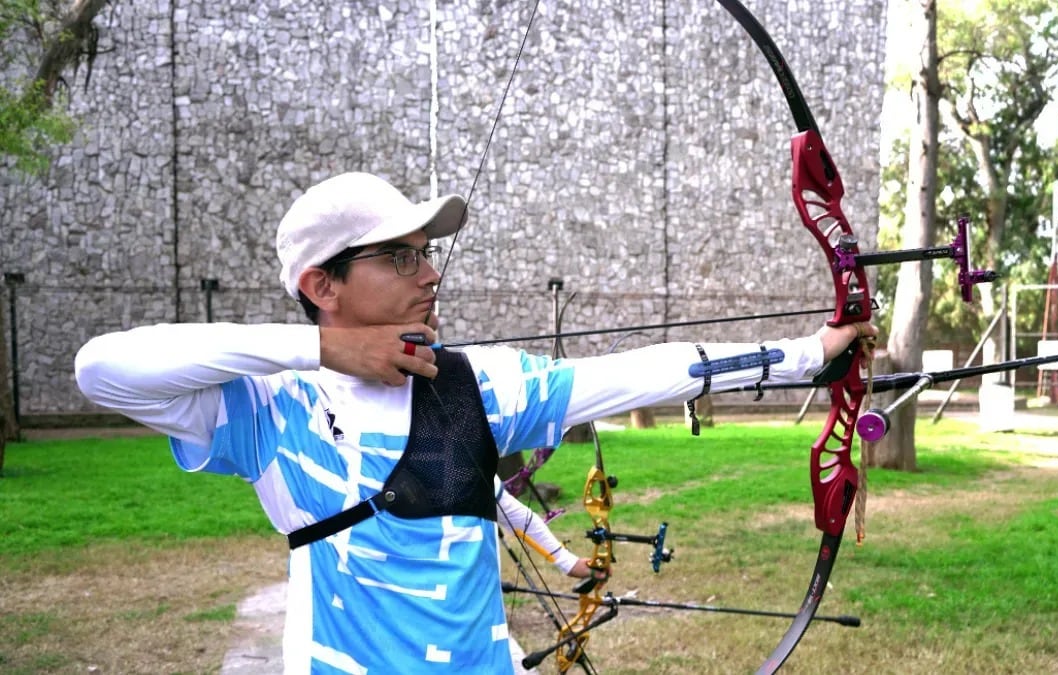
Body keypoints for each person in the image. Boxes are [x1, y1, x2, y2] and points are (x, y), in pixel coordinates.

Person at [74, 171, 876, 673]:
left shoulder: (474, 381)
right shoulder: (271, 407)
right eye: (401, 257)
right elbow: (101, 367)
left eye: (428, 253)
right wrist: (329, 349)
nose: (431, 274)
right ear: (323, 283)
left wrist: (809, 354)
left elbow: (633, 371)